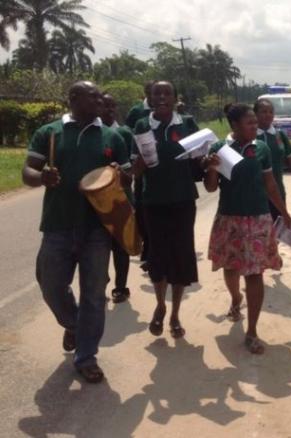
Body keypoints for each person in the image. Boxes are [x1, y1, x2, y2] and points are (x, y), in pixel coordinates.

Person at [22, 81, 131, 383]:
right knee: (51, 286)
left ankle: (86, 357)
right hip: (57, 225)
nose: (99, 99)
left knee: (94, 296)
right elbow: (27, 172)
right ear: (73, 99)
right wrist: (41, 177)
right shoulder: (50, 133)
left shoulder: (112, 136)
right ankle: (73, 324)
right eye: (92, 95)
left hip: (97, 229)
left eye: (99, 95)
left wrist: (121, 177)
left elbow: (127, 177)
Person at [204, 103, 291, 355]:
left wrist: (284, 212)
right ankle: (235, 298)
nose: (256, 127)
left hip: (257, 219)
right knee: (231, 267)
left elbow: (270, 184)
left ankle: (252, 331)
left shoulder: (261, 148)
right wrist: (211, 167)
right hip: (229, 219)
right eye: (250, 123)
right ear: (234, 125)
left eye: (256, 122)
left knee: (255, 274)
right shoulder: (219, 149)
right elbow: (211, 188)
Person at [132, 80, 202, 339]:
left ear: (175, 98)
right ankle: (160, 305)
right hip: (153, 201)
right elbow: (136, 170)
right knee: (158, 256)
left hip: (183, 200)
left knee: (181, 256)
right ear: (148, 97)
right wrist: (138, 164)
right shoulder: (141, 125)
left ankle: (175, 314)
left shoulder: (186, 124)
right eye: (156, 93)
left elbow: (199, 162)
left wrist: (205, 158)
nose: (161, 97)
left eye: (167, 93)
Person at [100, 92, 134, 304]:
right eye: (105, 105)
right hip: (96, 201)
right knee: (99, 246)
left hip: (121, 198)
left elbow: (130, 171)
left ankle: (121, 287)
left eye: (112, 105)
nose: (109, 109)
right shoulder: (94, 135)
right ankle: (100, 282)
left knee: (120, 246)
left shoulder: (123, 133)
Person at [254, 98, 291, 221]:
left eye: (271, 112)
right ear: (255, 114)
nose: (268, 115)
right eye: (264, 111)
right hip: (255, 194)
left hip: (277, 193)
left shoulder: (280, 135)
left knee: (277, 231)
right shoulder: (250, 136)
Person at [125, 80, 155, 271]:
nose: (156, 96)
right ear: (146, 92)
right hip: (141, 166)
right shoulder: (137, 112)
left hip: (160, 170)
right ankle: (146, 245)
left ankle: (152, 251)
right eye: (151, 92)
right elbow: (128, 133)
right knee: (141, 208)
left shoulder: (168, 112)